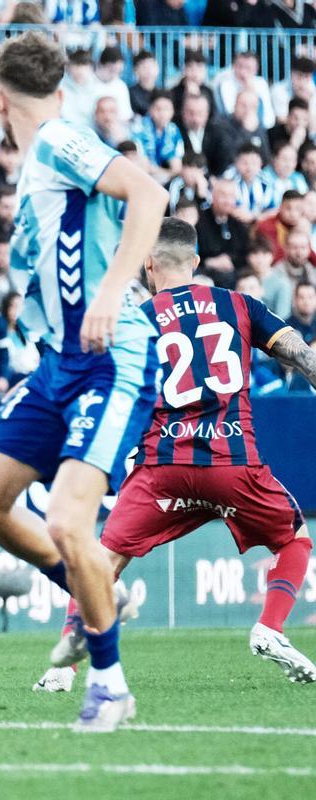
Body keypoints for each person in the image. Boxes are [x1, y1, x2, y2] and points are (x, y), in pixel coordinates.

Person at [0, 33, 168, 733]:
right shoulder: (41, 156)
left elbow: (148, 190)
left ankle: (110, 687)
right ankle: (87, 587)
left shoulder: (55, 141)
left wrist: (110, 292)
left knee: (69, 520)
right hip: (58, 363)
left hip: (112, 356)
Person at [36, 218, 316, 693]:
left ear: (148, 262)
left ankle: (63, 668)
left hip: (161, 468)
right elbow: (299, 355)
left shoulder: (137, 320)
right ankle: (270, 626)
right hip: (232, 463)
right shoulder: (239, 305)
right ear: (196, 262)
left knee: (100, 563)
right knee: (296, 542)